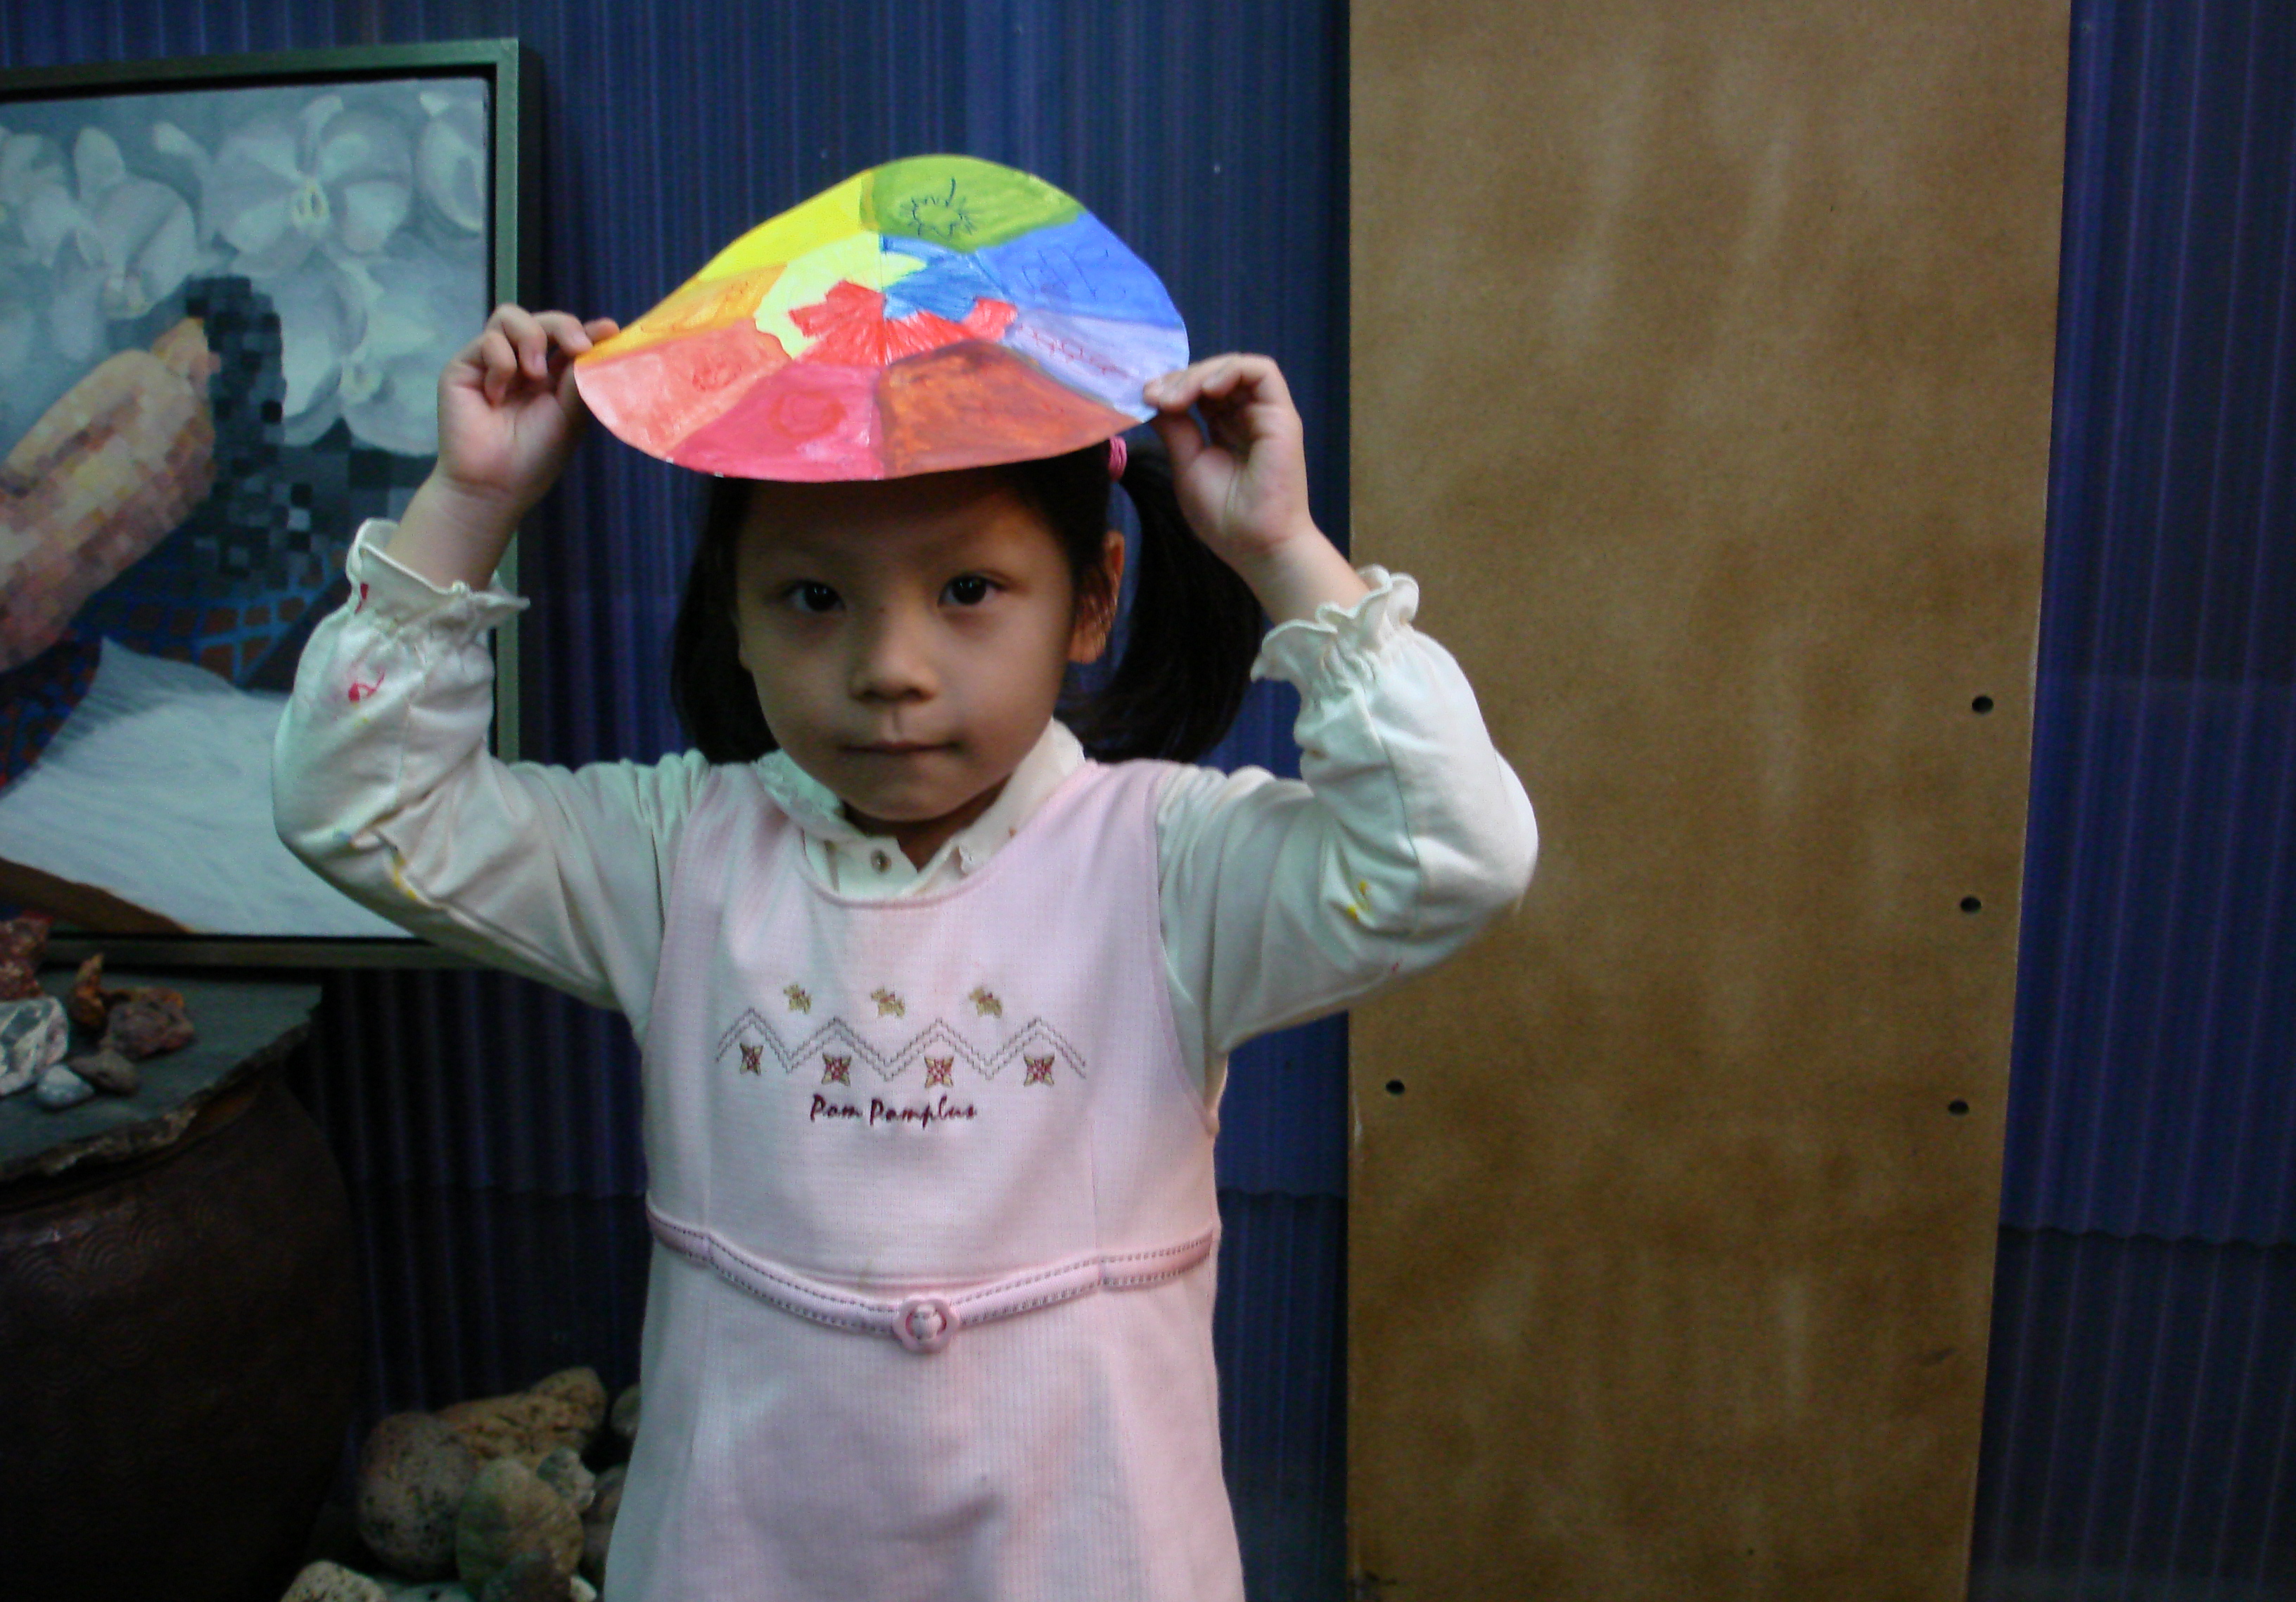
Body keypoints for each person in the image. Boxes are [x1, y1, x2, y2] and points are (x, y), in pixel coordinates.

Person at [274, 302, 1536, 1601]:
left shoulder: (1170, 867)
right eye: (814, 598)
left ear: (1093, 598)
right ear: (735, 614)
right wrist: (471, 503)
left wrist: (1284, 551)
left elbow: (1453, 853)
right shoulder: (673, 859)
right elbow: (362, 810)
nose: (890, 667)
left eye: (968, 591)